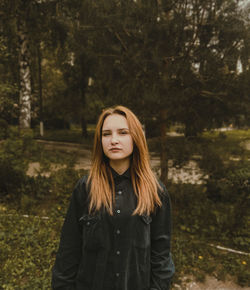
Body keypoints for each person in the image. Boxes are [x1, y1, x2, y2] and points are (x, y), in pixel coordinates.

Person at [52, 105, 175, 290]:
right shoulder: (85, 189)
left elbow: (161, 257)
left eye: (123, 132)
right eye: (106, 134)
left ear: (136, 137)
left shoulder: (155, 192)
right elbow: (68, 253)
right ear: (99, 141)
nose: (114, 140)